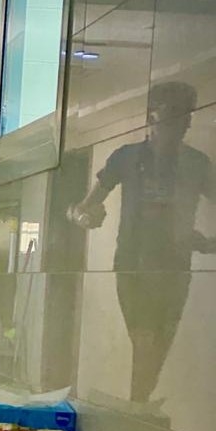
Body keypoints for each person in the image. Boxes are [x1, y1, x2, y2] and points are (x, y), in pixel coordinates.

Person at [69, 81, 215, 403]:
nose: (181, 125)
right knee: (145, 340)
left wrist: (206, 243)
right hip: (132, 265)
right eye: (173, 115)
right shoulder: (127, 157)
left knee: (159, 344)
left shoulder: (197, 163)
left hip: (175, 267)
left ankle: (140, 403)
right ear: (152, 116)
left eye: (186, 117)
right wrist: (84, 217)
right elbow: (83, 208)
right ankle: (139, 404)